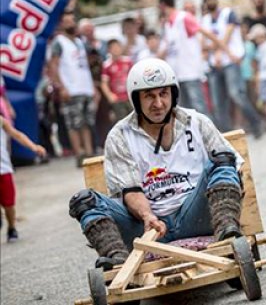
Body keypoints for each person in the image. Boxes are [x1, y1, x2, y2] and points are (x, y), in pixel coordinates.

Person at [67, 59, 246, 269]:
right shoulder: (120, 136)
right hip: (147, 229)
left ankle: (226, 234)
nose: (158, 103)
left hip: (195, 216)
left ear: (173, 94)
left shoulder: (196, 122)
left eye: (163, 94)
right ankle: (117, 262)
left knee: (223, 160)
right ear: (136, 99)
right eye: (149, 96)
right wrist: (147, 216)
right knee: (85, 201)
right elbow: (129, 190)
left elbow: (233, 168)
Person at [201, 0, 264, 135]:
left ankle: (256, 122)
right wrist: (217, 50)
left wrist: (215, 50)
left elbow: (226, 38)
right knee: (218, 102)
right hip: (215, 64)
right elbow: (203, 44)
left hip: (230, 62)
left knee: (236, 95)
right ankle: (226, 135)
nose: (209, 1)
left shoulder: (228, 14)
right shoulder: (204, 20)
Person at [159, 0, 220, 115]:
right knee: (183, 111)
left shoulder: (183, 17)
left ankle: (209, 133)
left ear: (162, 5)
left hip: (190, 72)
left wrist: (219, 48)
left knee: (199, 107)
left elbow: (205, 32)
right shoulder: (167, 24)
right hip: (176, 75)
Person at [49, 12, 97, 163]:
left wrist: (93, 87)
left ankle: (89, 152)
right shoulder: (59, 42)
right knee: (73, 124)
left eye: (72, 21)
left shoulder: (79, 41)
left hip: (85, 87)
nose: (70, 24)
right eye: (67, 21)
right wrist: (61, 87)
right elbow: (53, 66)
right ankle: (79, 154)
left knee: (86, 122)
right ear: (61, 25)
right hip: (71, 88)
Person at [1, 116, 47, 242]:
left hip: (3, 169)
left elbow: (17, 135)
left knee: (9, 204)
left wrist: (33, 147)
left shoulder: (1, 121)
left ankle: (11, 227)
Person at [100, 39, 134, 123]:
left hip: (130, 96)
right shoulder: (106, 65)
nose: (116, 49)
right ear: (109, 50)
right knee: (123, 122)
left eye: (118, 47)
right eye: (113, 47)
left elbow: (134, 77)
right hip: (118, 98)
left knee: (136, 119)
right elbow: (104, 83)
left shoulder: (128, 61)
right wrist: (109, 95)